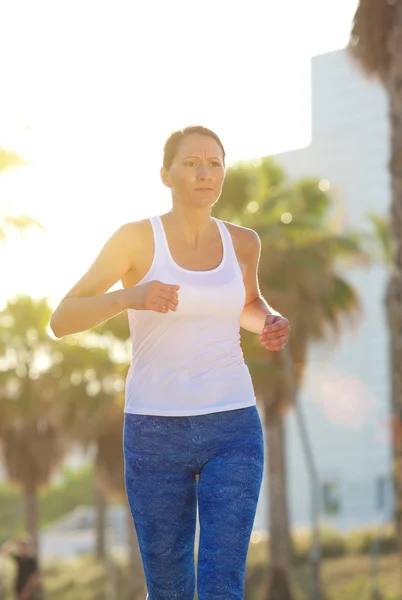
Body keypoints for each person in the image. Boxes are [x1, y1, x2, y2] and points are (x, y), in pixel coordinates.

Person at [50, 125, 290, 599]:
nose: (205, 173)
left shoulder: (243, 243)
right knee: (169, 589)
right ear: (165, 174)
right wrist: (133, 296)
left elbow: (247, 302)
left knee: (223, 585)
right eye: (192, 163)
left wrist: (269, 319)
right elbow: (62, 319)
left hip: (232, 425)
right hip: (154, 431)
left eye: (215, 163)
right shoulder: (136, 239)